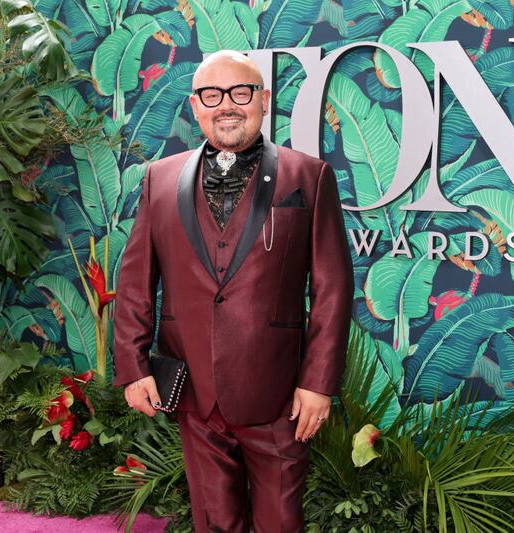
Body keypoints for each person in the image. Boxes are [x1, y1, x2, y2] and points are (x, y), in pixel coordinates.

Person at [111, 50, 354, 532]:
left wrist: (318, 382)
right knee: (214, 522)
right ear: (195, 106)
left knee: (280, 522)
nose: (227, 105)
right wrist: (134, 369)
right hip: (194, 389)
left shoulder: (309, 177)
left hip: (279, 393)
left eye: (240, 93)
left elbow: (333, 288)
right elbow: (136, 282)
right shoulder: (159, 179)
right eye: (212, 95)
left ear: (263, 100)